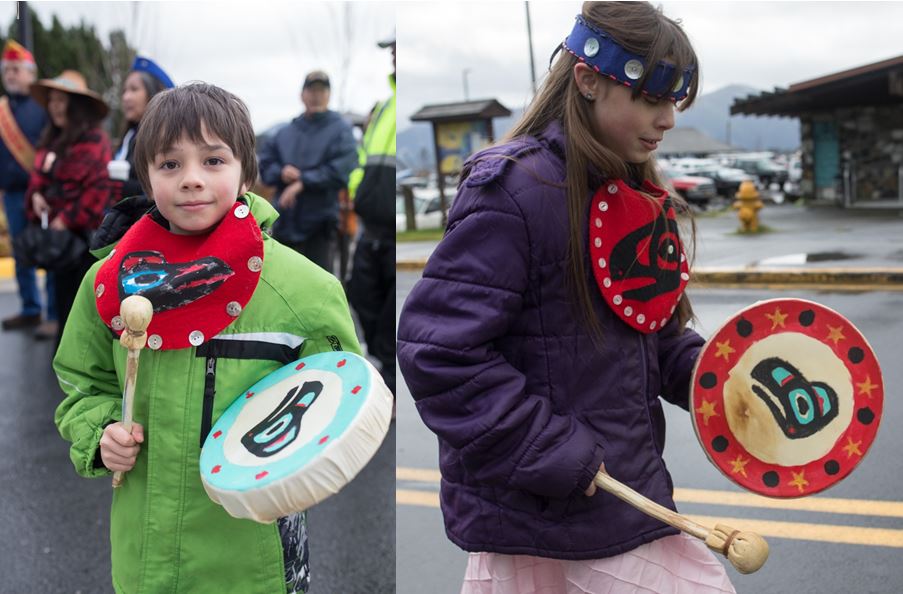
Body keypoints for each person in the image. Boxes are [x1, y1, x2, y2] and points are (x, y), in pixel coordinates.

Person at [397, 3, 736, 592]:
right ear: (587, 80)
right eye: (652, 99)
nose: (668, 120)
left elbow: (649, 328)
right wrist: (552, 450)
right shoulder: (514, 190)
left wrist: (714, 377)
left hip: (620, 500)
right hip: (539, 513)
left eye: (674, 102)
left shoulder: (631, 189)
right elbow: (438, 351)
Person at [53, 82, 361, 594]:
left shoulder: (302, 289)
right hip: (143, 558)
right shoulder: (108, 283)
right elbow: (82, 383)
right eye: (170, 164)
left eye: (213, 160)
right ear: (147, 176)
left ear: (246, 170)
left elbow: (341, 397)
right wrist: (102, 432)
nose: (191, 180)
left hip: (252, 565)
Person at [26, 70, 112, 347]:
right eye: (51, 101)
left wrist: (66, 218)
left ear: (76, 106)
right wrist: (37, 195)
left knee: (81, 305)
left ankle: (80, 360)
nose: (54, 107)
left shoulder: (96, 140)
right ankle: (63, 356)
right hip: (58, 241)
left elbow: (99, 190)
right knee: (62, 299)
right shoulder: (50, 140)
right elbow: (37, 179)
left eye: (61, 101)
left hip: (83, 241)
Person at [258, 69, 357, 274]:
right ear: (302, 95)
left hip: (320, 226)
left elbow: (342, 169)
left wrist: (303, 182)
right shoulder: (285, 132)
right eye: (312, 90)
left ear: (329, 95)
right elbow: (265, 165)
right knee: (283, 282)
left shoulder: (341, 130)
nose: (316, 95)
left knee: (319, 283)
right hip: (284, 223)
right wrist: (281, 171)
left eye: (322, 90)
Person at [347, 31, 396, 398]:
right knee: (362, 298)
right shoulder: (381, 108)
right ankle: (382, 374)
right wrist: (357, 190)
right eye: (392, 49)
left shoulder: (398, 105)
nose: (394, 54)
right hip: (371, 228)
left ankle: (390, 386)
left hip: (393, 231)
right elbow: (362, 160)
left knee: (390, 315)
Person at [0, 39, 55, 338]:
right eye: (7, 69)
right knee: (21, 252)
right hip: (11, 194)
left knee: (48, 252)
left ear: (30, 74)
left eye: (16, 69)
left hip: (41, 192)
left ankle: (53, 314)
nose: (11, 75)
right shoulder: (2, 109)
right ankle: (30, 309)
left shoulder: (42, 106)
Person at [109, 55, 174, 201]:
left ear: (154, 94)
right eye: (124, 91)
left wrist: (125, 188)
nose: (126, 97)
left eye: (134, 89)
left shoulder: (162, 137)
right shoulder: (129, 135)